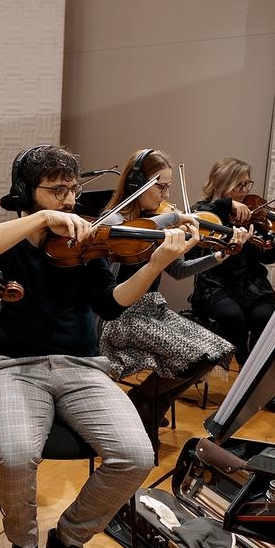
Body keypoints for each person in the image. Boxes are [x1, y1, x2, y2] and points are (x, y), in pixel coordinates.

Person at [0, 144, 199, 548]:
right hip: (13, 368)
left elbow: (110, 304)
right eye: (57, 190)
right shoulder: (9, 242)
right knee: (15, 455)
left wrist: (154, 264)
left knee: (136, 455)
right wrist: (39, 219)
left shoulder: (87, 242)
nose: (69, 200)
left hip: (82, 367)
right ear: (26, 192)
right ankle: (23, 546)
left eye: (73, 189)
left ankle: (67, 542)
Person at [96, 149, 242, 444]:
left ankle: (145, 402)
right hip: (118, 316)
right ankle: (146, 407)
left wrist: (218, 256)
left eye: (168, 187)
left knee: (215, 351)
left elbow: (178, 271)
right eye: (160, 186)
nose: (165, 195)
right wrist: (174, 218)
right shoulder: (114, 222)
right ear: (137, 184)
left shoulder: (160, 222)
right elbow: (107, 284)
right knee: (189, 356)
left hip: (152, 311)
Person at [189, 157, 275, 413]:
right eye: (239, 185)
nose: (245, 191)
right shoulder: (205, 212)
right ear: (223, 184)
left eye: (247, 184)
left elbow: (266, 254)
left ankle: (257, 381)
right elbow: (196, 225)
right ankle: (249, 374)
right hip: (215, 283)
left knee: (267, 315)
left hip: (251, 284)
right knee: (232, 316)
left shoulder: (254, 213)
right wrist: (227, 204)